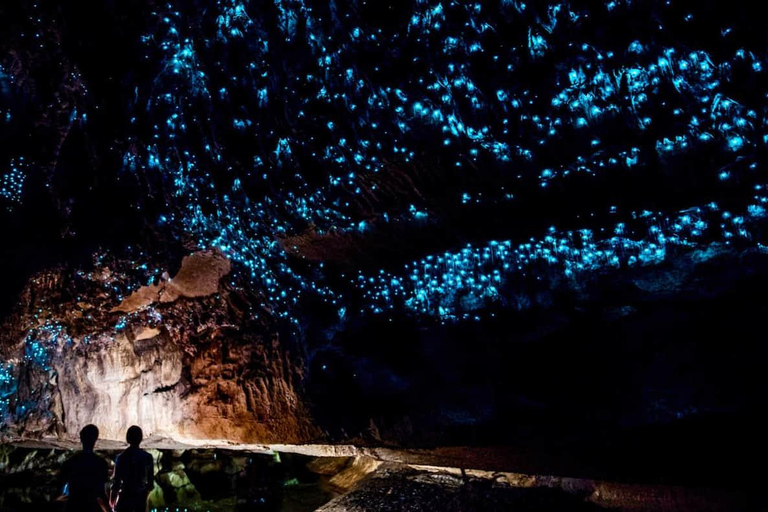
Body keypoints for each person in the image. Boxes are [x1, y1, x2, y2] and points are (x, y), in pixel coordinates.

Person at [59, 424, 110, 512]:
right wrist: (108, 509)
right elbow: (101, 492)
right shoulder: (101, 463)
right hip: (91, 506)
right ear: (95, 439)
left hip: (73, 505)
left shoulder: (71, 462)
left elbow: (61, 486)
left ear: (81, 438)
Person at [110, 425, 155, 512]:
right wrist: (145, 496)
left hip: (125, 496)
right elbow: (150, 484)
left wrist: (112, 499)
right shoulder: (148, 457)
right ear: (141, 439)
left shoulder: (121, 457)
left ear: (127, 439)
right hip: (140, 497)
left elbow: (116, 482)